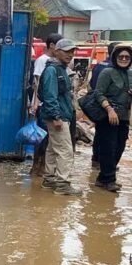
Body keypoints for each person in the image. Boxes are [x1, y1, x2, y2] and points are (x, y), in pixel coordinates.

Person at [39, 39, 81, 196]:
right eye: (67, 51)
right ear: (56, 51)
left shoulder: (60, 68)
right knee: (65, 151)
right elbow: (50, 96)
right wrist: (56, 116)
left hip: (61, 115)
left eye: (72, 51)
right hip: (58, 117)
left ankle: (49, 179)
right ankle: (62, 184)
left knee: (52, 149)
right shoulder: (52, 70)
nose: (70, 54)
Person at [92, 44, 132, 192]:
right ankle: (108, 179)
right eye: (120, 56)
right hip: (108, 116)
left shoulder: (130, 74)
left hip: (123, 117)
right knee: (108, 148)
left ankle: (103, 178)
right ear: (115, 57)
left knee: (120, 147)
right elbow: (98, 93)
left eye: (127, 57)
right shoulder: (107, 72)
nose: (123, 59)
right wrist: (109, 109)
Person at [30, 33, 63, 176]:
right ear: (52, 46)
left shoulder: (57, 62)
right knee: (42, 137)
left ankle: (44, 167)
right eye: (60, 46)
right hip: (43, 104)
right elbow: (38, 83)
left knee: (49, 138)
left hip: (50, 104)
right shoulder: (42, 60)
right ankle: (37, 166)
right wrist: (36, 103)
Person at [89, 41, 121, 167]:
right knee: (110, 136)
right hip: (110, 105)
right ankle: (105, 163)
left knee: (100, 132)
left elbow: (92, 85)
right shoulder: (114, 68)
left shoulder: (98, 65)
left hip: (97, 105)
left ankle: (96, 158)